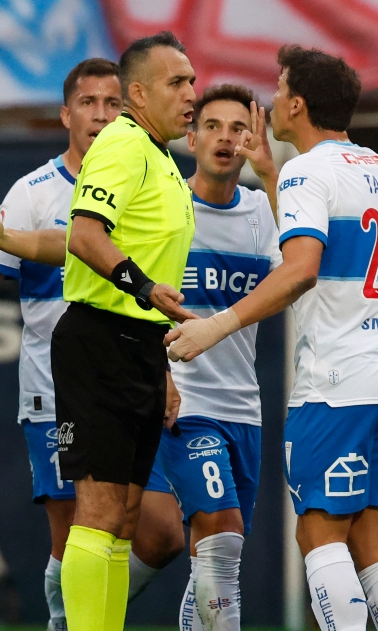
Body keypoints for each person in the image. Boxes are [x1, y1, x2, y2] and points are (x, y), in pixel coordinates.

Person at [0, 58, 184, 631]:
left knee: (152, 529)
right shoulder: (34, 191)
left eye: (111, 103)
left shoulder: (142, 168)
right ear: (65, 114)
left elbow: (125, 278)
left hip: (130, 361)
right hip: (58, 384)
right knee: (81, 526)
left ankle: (89, 620)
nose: (101, 115)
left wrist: (163, 372)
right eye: (88, 103)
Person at [167, 45, 378, 631]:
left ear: (298, 105)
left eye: (280, 89)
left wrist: (216, 325)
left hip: (337, 380)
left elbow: (301, 267)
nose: (274, 100)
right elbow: (317, 238)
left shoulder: (309, 170)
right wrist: (269, 174)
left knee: (319, 532)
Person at [162, 84, 280, 631]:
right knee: (222, 530)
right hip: (185, 401)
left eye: (239, 129)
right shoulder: (164, 207)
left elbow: (303, 264)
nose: (225, 138)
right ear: (191, 139)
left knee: (216, 552)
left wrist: (272, 175)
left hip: (243, 406)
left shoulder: (261, 210)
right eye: (212, 126)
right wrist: (157, 374)